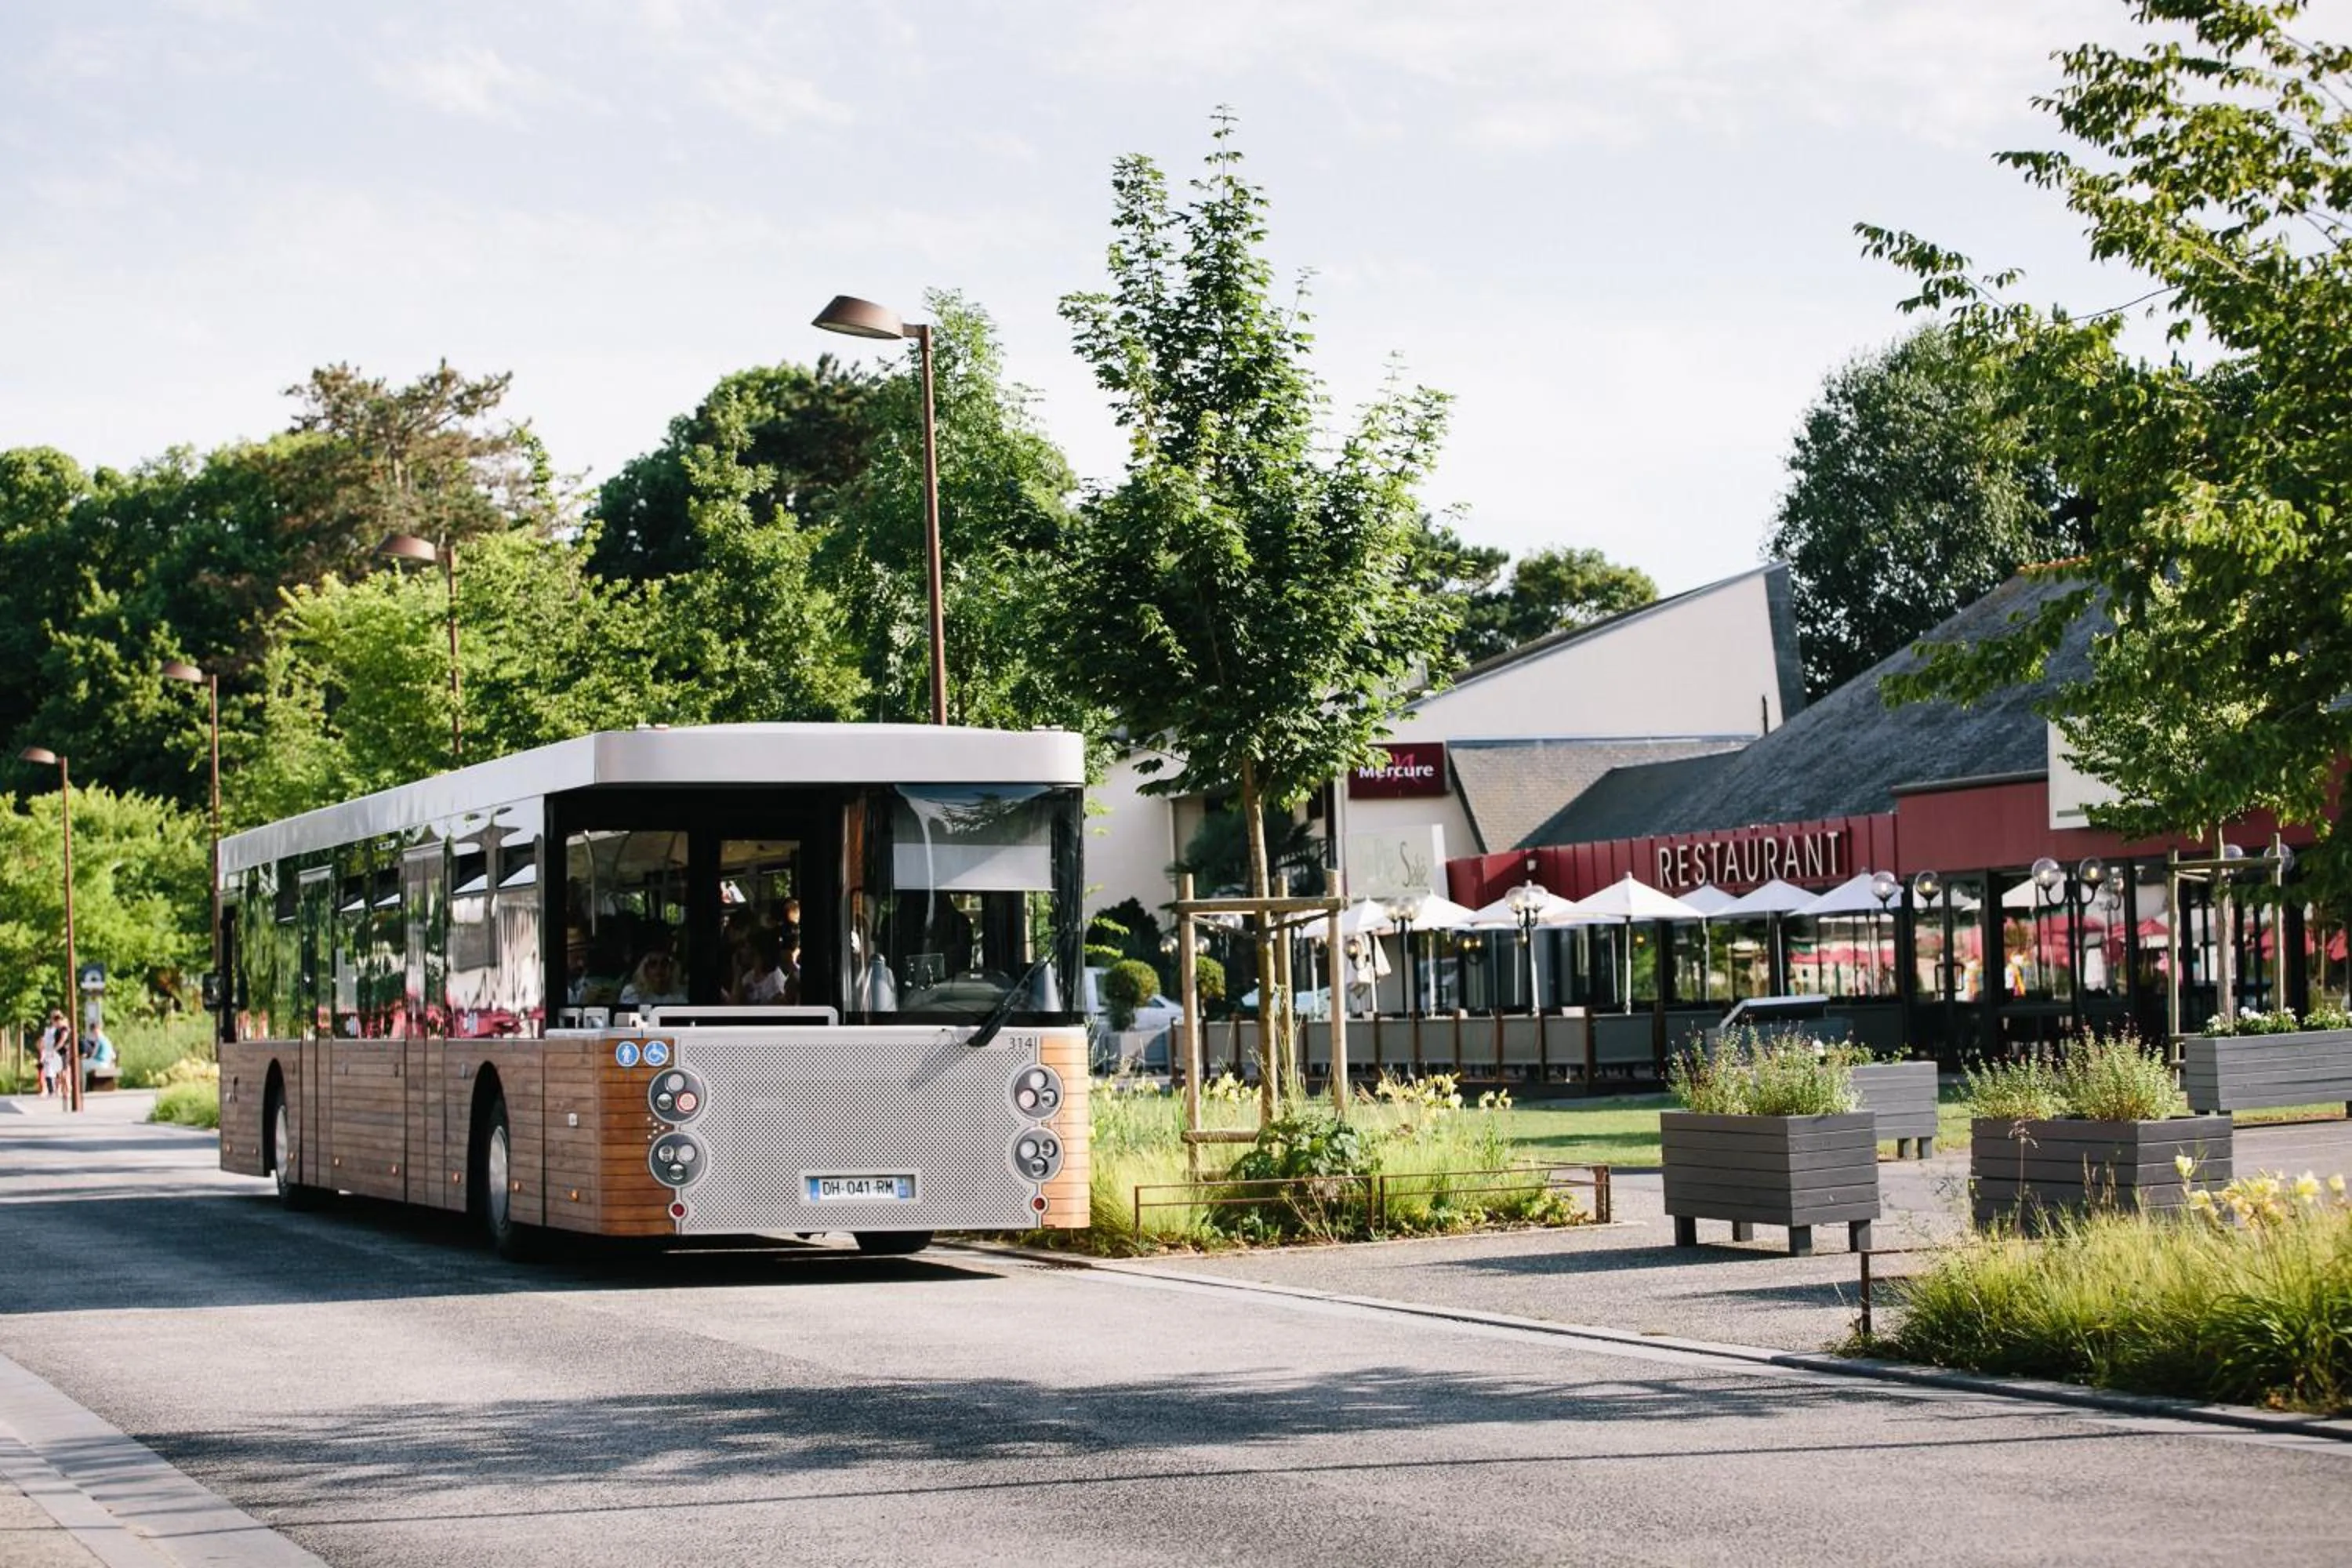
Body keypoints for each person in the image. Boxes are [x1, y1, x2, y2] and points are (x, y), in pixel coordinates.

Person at [619, 939, 688, 1008]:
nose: (659, 968)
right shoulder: (632, 992)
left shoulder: (679, 996)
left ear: (671, 968)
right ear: (645, 969)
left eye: (664, 963)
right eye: (653, 963)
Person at [34, 1009, 67, 1098]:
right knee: (48, 1070)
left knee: (59, 1071)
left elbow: (63, 1040)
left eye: (58, 1017)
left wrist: (55, 1049)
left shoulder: (63, 1028)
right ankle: (50, 1090)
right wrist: (42, 1049)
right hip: (49, 1051)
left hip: (59, 1052)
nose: (56, 1019)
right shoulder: (48, 1029)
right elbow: (43, 1040)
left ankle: (59, 1089)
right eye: (54, 1017)